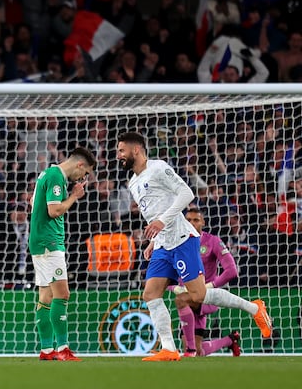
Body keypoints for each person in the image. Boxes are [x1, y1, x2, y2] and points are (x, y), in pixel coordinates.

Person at [115, 132, 272, 362]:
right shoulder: (133, 183)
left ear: (135, 150)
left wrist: (162, 222)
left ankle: (255, 308)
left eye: (121, 150)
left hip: (182, 239)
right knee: (150, 294)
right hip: (163, 245)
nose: (119, 155)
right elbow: (155, 215)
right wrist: (153, 241)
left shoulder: (158, 168)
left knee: (198, 295)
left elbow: (186, 194)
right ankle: (169, 348)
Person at [30, 147, 97, 361]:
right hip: (50, 242)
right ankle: (62, 349)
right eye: (85, 173)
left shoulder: (46, 174)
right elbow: (54, 210)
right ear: (79, 164)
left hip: (38, 241)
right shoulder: (57, 176)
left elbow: (33, 203)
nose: (83, 177)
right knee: (62, 294)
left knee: (45, 296)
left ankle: (47, 350)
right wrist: (74, 196)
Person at [172, 208, 241, 357]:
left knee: (181, 300)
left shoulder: (213, 241)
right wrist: (174, 287)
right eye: (188, 220)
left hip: (206, 297)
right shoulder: (175, 243)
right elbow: (166, 270)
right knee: (199, 352)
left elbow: (231, 270)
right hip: (188, 295)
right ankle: (230, 340)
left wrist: (210, 286)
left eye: (196, 220)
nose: (191, 223)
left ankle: (189, 350)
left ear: (203, 222)